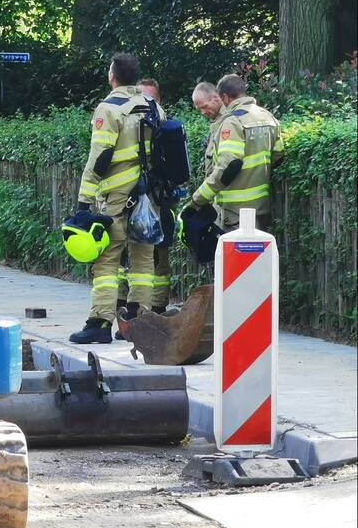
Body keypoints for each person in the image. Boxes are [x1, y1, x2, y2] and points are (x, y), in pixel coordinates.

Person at [70, 54, 165, 344]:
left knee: (107, 260)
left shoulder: (108, 109)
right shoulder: (153, 107)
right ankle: (140, 321)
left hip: (117, 197)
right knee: (144, 260)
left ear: (113, 77)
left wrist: (84, 202)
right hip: (149, 197)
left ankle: (99, 323)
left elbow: (99, 158)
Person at [185, 74, 282, 231]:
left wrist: (197, 200)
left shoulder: (233, 121)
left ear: (224, 97)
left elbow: (228, 166)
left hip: (236, 211)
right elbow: (278, 156)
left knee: (238, 255)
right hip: (262, 207)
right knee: (258, 255)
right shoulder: (268, 116)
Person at [114, 77, 172, 321]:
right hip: (125, 198)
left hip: (156, 198)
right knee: (118, 256)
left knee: (155, 256)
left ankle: (154, 309)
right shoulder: (122, 121)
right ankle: (120, 307)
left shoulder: (165, 126)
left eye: (152, 98)